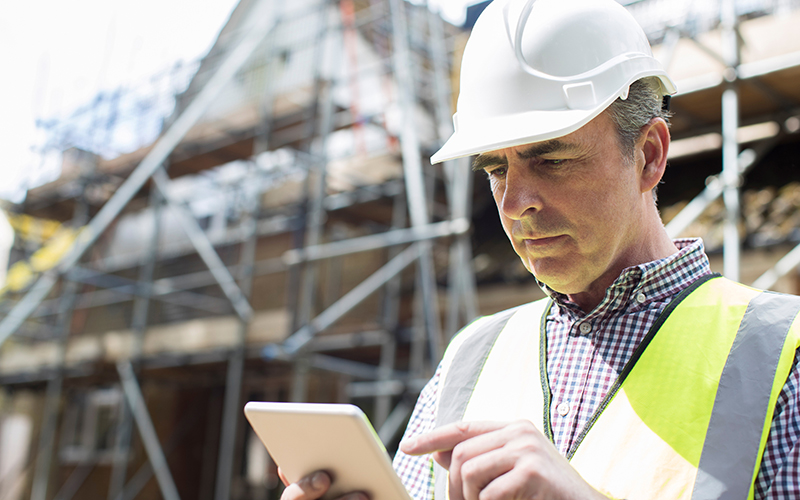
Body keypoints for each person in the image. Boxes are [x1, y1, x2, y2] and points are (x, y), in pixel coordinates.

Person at [280, 0, 800, 498]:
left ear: (648, 155)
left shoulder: (781, 357)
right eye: (496, 169)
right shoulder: (470, 359)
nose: (514, 205)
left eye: (551, 159)